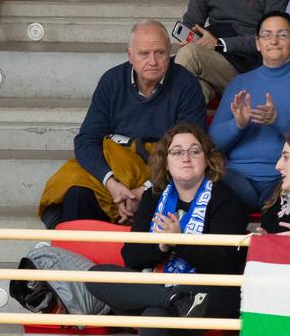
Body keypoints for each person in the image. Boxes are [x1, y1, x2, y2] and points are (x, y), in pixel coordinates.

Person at [84, 124, 249, 335]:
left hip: (206, 294)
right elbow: (131, 257)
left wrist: (179, 243)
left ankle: (167, 300)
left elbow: (225, 264)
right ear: (166, 162)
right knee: (97, 276)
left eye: (195, 151)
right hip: (161, 288)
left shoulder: (227, 200)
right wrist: (161, 247)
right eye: (177, 152)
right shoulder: (153, 197)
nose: (186, 158)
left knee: (154, 315)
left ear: (207, 159)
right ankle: (173, 300)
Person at [39, 21, 206, 227]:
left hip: (161, 169)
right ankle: (74, 255)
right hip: (116, 167)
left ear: (169, 52)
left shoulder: (186, 85)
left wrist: (143, 190)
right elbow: (87, 140)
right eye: (144, 53)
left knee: (158, 198)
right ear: (130, 55)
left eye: (160, 53)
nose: (152, 61)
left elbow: (190, 148)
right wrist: (112, 184)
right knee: (75, 194)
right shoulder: (112, 81)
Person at [208, 12, 290, 207]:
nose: (273, 41)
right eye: (266, 35)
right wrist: (237, 124)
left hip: (287, 179)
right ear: (257, 43)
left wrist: (278, 120)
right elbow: (213, 143)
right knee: (218, 210)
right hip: (236, 177)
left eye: (282, 35)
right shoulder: (239, 82)